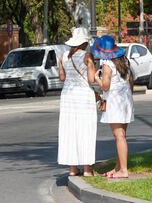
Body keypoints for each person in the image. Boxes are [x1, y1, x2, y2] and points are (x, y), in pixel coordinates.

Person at [91, 35, 134, 179]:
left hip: (115, 102)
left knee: (119, 136)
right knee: (122, 136)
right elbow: (131, 81)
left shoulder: (107, 65)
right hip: (126, 101)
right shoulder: (124, 61)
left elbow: (106, 86)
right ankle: (118, 167)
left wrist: (97, 78)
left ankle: (123, 170)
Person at [57, 27, 97, 176]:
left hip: (67, 96)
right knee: (86, 130)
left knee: (69, 130)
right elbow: (91, 80)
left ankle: (72, 169)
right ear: (84, 43)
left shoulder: (63, 56)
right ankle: (87, 169)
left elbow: (62, 77)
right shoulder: (87, 56)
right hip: (84, 96)